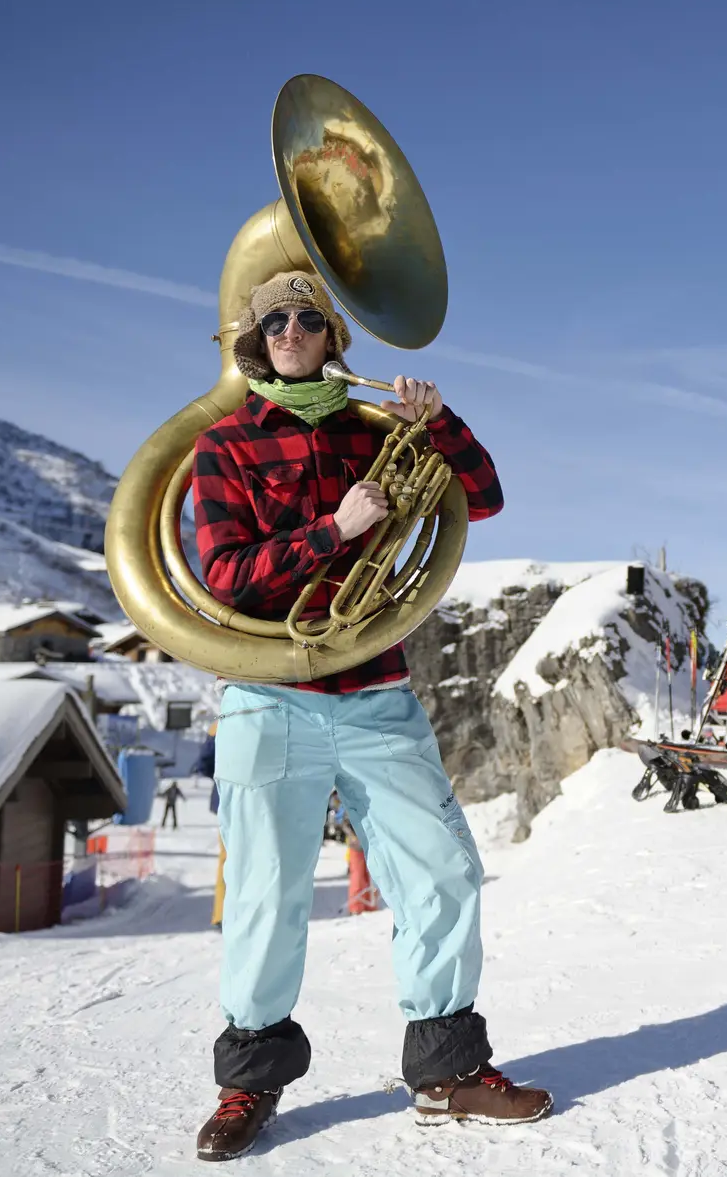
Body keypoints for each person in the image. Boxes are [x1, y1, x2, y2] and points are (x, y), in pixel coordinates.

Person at [188, 271, 545, 1161]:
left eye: (312, 317)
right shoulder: (225, 443)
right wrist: (333, 533)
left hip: (376, 689)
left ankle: (446, 1070)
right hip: (268, 697)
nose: (294, 329)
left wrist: (440, 425)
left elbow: (486, 496)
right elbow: (223, 578)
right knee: (268, 896)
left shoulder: (374, 428)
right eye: (278, 318)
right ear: (255, 336)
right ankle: (250, 1082)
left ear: (334, 337)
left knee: (444, 872)